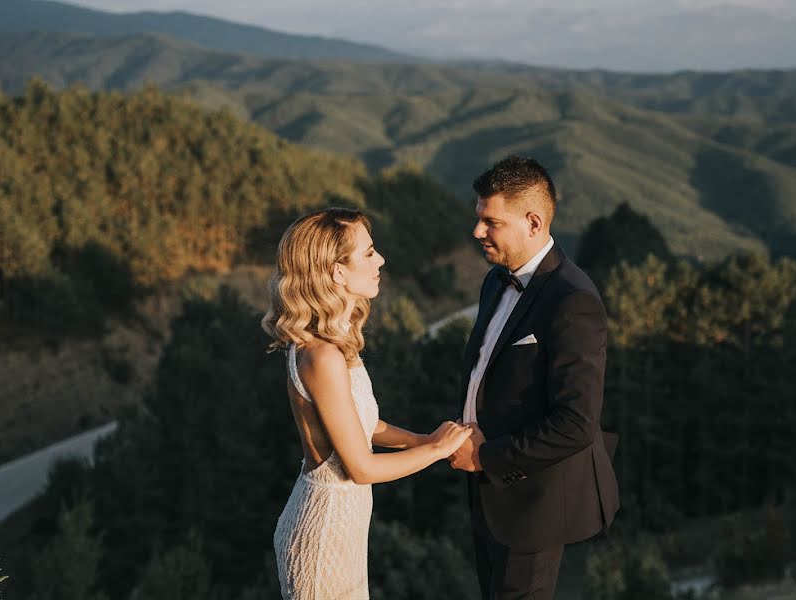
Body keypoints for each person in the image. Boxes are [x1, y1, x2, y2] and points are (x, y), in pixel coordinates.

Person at [263, 208, 471, 600]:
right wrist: (437, 449)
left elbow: (366, 426)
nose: (381, 260)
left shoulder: (333, 343)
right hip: (323, 532)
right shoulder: (321, 356)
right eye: (369, 253)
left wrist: (422, 440)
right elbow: (361, 467)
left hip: (342, 526)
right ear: (338, 273)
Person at [449, 156, 620, 600]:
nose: (477, 232)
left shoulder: (573, 300)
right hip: (485, 489)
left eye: (491, 222)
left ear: (533, 222)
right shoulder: (494, 281)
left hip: (535, 497)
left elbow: (576, 424)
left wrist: (486, 456)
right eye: (478, 219)